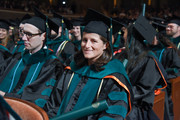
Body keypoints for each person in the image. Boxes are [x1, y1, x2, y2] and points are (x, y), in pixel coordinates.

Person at [43, 8, 132, 120]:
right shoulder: (73, 68)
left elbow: (114, 114)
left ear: (105, 45)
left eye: (94, 41)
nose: (87, 45)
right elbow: (54, 103)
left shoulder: (114, 75)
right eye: (85, 40)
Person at [0, 11, 64, 109]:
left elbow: (36, 98)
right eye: (24, 33)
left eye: (29, 34)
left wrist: (5, 95)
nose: (24, 38)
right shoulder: (17, 57)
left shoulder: (51, 64)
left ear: (43, 36)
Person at [115, 14, 167, 120]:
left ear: (131, 37)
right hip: (118, 101)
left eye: (125, 33)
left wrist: (120, 94)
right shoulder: (122, 55)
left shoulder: (149, 60)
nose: (123, 36)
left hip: (133, 108)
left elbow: (142, 89)